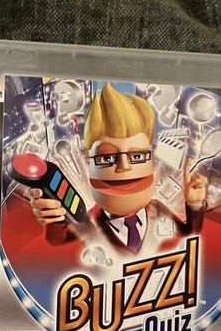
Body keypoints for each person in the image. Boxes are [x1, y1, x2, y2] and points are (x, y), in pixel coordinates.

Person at [29, 83, 207, 256]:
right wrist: (53, 216)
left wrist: (195, 204)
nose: (124, 167)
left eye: (137, 156)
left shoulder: (156, 208)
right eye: (107, 158)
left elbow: (189, 233)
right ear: (90, 164)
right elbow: (56, 240)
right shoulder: (88, 222)